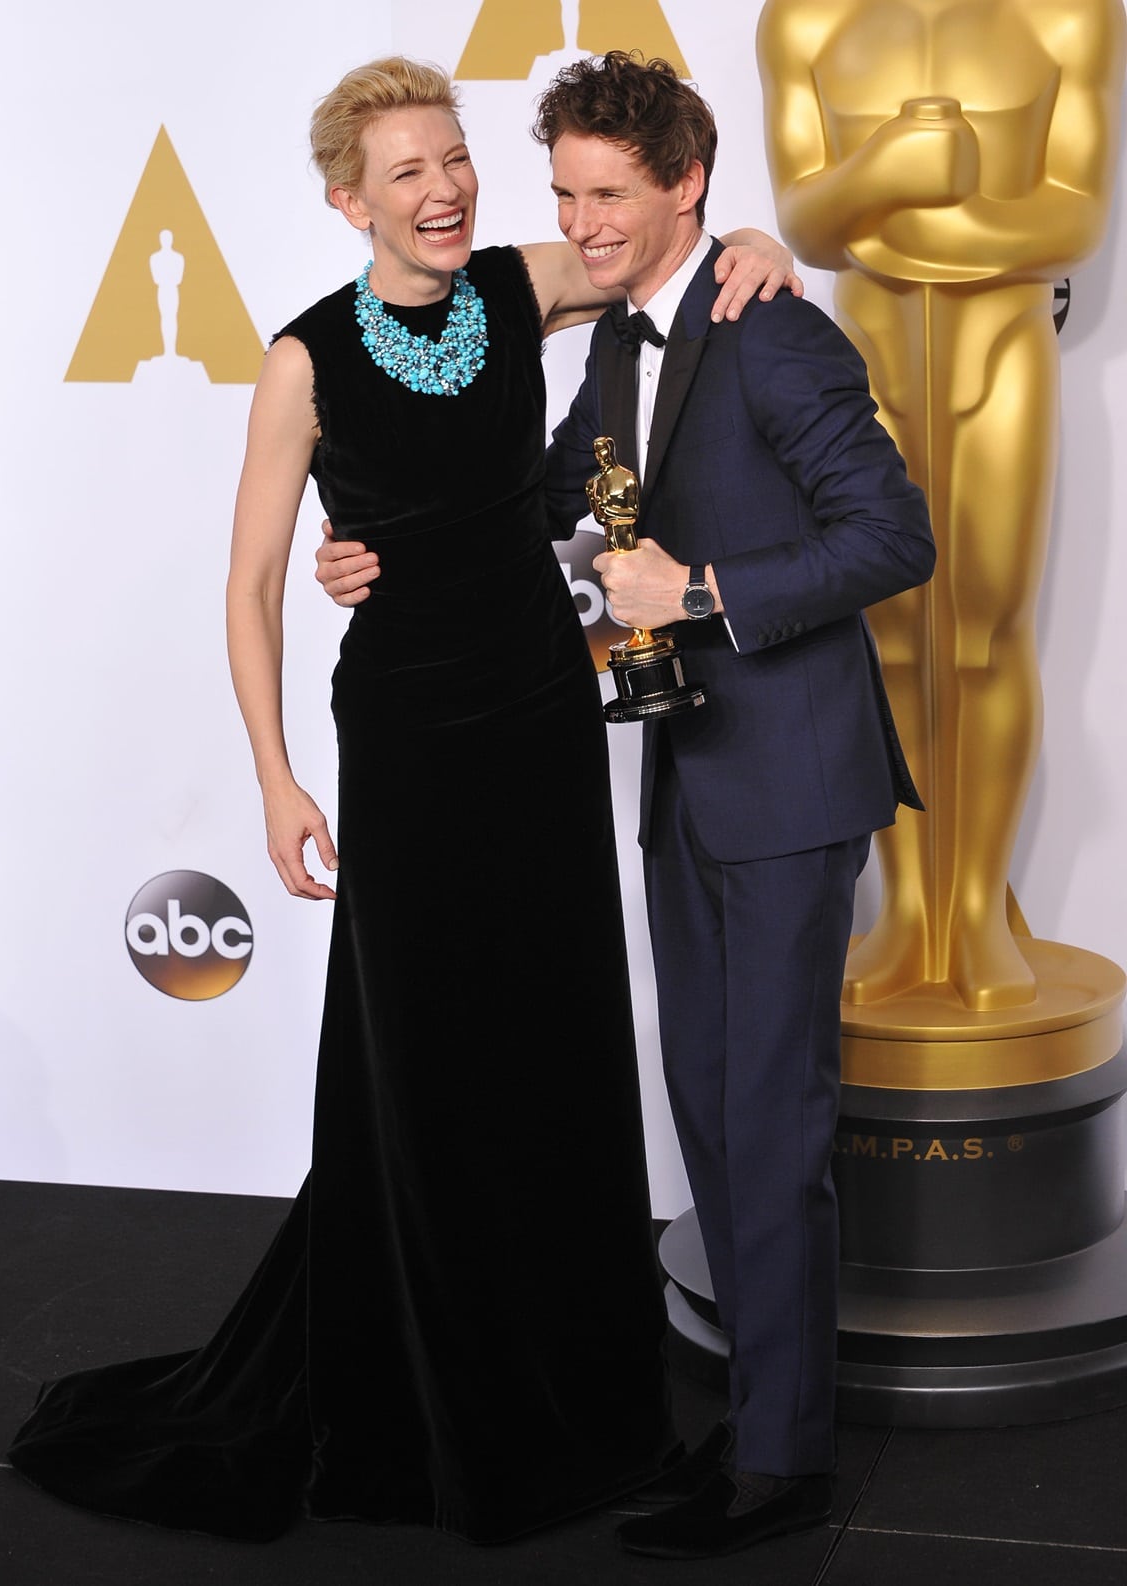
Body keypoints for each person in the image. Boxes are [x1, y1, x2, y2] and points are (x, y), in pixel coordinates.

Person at [6, 57, 798, 1545]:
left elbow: (665, 248)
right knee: (426, 1057)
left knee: (555, 1040)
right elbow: (245, 581)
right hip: (413, 736)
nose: (444, 191)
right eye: (408, 173)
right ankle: (437, 1392)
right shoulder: (304, 359)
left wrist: (760, 243)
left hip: (543, 718)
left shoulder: (520, 285)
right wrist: (273, 775)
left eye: (453, 160)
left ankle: (573, 1387)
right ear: (347, 200)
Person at [536, 53, 934, 1558]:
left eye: (608, 194)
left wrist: (694, 591)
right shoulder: (620, 333)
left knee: (768, 1121)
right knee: (708, 1113)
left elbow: (894, 536)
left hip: (788, 783)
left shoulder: (771, 331)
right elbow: (563, 493)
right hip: (689, 780)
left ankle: (787, 1465)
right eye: (565, 192)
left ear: (687, 184)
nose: (582, 220)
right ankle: (754, 1428)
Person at [756, 0, 1126, 1013]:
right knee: (886, 637)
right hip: (865, 361)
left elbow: (1075, 218)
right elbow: (807, 221)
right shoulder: (805, 23)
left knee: (985, 632)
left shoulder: (1069, 17)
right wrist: (892, 171)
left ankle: (972, 911)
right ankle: (908, 912)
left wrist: (904, 217)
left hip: (1003, 351)